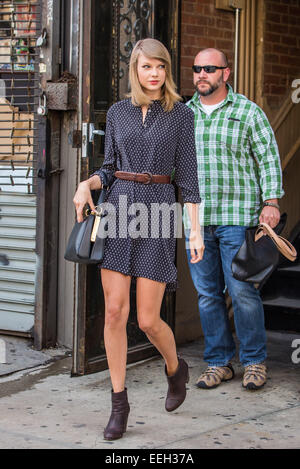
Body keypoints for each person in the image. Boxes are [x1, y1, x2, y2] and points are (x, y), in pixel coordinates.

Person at [73, 38, 204, 440]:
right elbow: (110, 168)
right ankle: (118, 402)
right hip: (118, 210)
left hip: (159, 212)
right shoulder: (117, 113)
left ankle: (174, 367)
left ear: (166, 71)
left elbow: (189, 179)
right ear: (135, 69)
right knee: (115, 312)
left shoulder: (180, 115)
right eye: (146, 66)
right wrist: (86, 184)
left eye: (160, 67)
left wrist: (194, 231)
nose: (153, 74)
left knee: (147, 319)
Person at [185, 48, 284, 391]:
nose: (201, 74)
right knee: (207, 294)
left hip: (237, 218)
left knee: (242, 291)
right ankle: (218, 362)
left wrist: (270, 201)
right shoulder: (185, 115)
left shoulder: (247, 112)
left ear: (225, 73)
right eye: (197, 69)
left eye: (209, 69)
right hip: (197, 221)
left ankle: (254, 361)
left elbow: (268, 158)